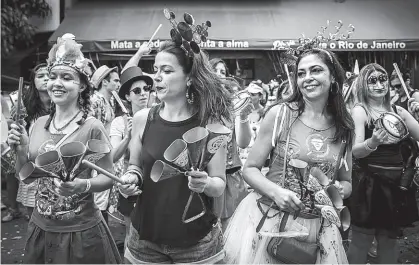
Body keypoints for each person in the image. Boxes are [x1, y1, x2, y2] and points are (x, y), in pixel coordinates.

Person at [224, 48, 354, 264]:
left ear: (332, 77)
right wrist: (276, 192)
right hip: (272, 221)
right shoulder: (280, 114)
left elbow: (347, 182)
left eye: (316, 70)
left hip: (318, 227)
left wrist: (339, 190)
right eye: (301, 73)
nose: (307, 78)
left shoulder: (344, 126)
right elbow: (250, 169)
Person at [7, 37, 121, 264]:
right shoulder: (38, 124)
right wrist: (20, 151)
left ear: (82, 86)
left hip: (81, 233)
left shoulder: (92, 127)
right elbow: (27, 178)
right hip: (41, 229)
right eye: (52, 77)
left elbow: (109, 177)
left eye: (66, 78)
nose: (56, 83)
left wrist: (83, 185)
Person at [118, 37, 232, 263]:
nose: (157, 77)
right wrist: (131, 178)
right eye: (156, 70)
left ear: (189, 78)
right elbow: (135, 165)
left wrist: (205, 183)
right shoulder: (143, 119)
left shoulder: (210, 123)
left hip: (197, 243)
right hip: (144, 241)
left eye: (167, 70)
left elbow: (219, 184)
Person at [347, 63, 419, 264]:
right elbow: (356, 151)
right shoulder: (360, 111)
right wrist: (373, 142)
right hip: (370, 185)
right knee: (362, 239)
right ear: (363, 84)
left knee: (390, 240)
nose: (379, 84)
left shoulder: (399, 111)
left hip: (396, 184)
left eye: (383, 79)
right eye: (372, 81)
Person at [109, 66, 154, 250]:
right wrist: (128, 136)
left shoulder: (158, 115)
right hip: (131, 183)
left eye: (146, 89)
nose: (143, 94)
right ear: (127, 97)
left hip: (155, 180)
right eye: (137, 91)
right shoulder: (119, 122)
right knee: (132, 231)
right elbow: (112, 156)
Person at [2, 63, 51, 222]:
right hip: (31, 164)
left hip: (54, 165)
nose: (45, 79)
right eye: (40, 76)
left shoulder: (61, 105)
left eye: (48, 75)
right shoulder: (24, 106)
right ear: (33, 81)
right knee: (35, 218)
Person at [209, 58, 252, 230]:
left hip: (232, 175)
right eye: (215, 71)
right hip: (209, 177)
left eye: (223, 72)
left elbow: (243, 143)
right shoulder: (200, 106)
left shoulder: (233, 105)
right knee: (210, 228)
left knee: (233, 228)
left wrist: (243, 116)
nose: (219, 75)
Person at [90, 65, 121, 223]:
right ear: (104, 83)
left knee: (106, 195)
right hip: (97, 154)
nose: (118, 83)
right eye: (115, 80)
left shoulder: (111, 101)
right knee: (100, 197)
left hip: (108, 152)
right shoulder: (95, 101)